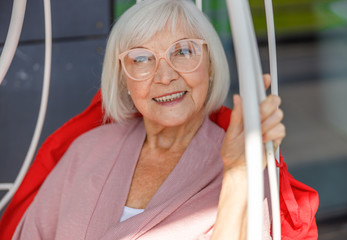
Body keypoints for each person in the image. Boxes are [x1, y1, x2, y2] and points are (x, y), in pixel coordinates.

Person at [10, 0, 316, 239]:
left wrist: (237, 174)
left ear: (209, 66)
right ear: (123, 79)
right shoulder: (85, 150)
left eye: (183, 51)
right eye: (142, 58)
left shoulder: (244, 163)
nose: (166, 76)